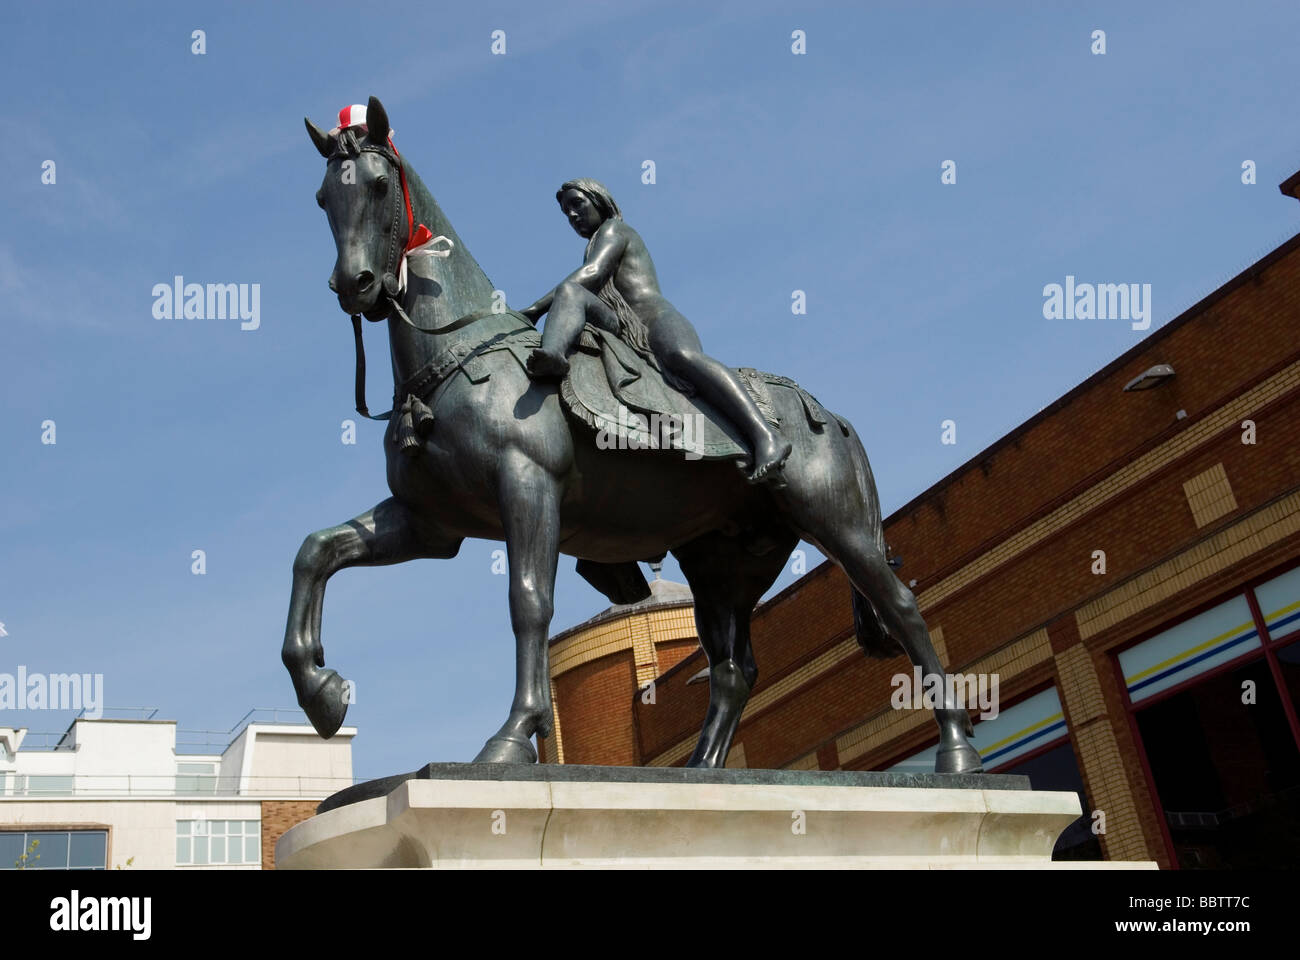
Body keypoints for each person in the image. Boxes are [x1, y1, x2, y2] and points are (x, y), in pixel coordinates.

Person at [521, 178, 791, 484]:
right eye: (565, 211)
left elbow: (593, 274)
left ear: (600, 201)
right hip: (622, 325)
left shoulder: (615, 230)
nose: (571, 215)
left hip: (653, 318)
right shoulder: (591, 245)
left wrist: (533, 309)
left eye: (577, 204)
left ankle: (766, 437)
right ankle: (554, 354)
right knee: (571, 293)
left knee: (682, 355)